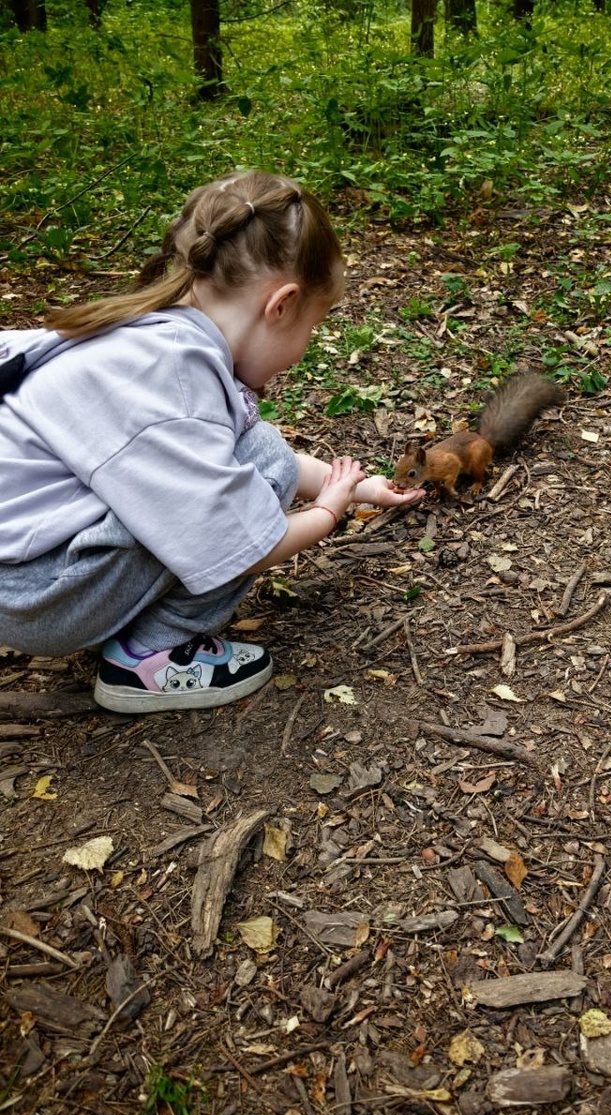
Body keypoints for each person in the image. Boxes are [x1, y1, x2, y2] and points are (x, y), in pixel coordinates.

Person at [0, 170, 423, 714]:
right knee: (261, 460)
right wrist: (328, 513)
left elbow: (219, 463)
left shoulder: (157, 336)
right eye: (312, 327)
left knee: (260, 455)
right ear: (282, 305)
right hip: (36, 599)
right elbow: (241, 541)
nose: (305, 346)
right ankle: (149, 657)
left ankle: (122, 619)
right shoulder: (174, 380)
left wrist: (362, 488)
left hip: (28, 575)